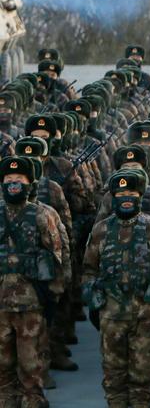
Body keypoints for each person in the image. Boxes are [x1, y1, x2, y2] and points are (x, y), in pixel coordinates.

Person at [82, 170, 150, 408]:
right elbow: (88, 270)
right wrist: (96, 296)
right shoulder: (101, 230)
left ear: (139, 195)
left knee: (142, 377)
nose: (126, 198)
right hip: (111, 317)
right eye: (120, 193)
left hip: (144, 317)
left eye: (131, 193)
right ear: (113, 198)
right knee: (114, 377)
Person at [0, 156, 64, 408]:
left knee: (31, 361)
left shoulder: (41, 215)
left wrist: (53, 297)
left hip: (31, 303)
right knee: (2, 363)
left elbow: (56, 256)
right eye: (9, 180)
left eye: (19, 180)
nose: (13, 184)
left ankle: (33, 400)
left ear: (30, 183)